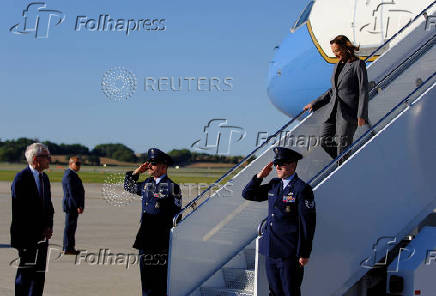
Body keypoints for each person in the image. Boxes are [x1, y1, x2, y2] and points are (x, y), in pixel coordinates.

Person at [242, 147, 316, 296]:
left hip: (289, 252)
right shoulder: (274, 184)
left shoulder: (301, 189)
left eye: (281, 164)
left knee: (290, 291)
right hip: (271, 249)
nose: (277, 167)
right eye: (276, 164)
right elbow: (248, 194)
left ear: (293, 165)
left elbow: (308, 223)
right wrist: (259, 177)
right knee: (274, 292)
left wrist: (304, 252)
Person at [124, 148, 182, 296]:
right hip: (144, 238)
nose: (149, 166)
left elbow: (177, 217)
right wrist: (136, 172)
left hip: (159, 241)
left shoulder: (172, 187)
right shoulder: (147, 184)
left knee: (159, 281)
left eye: (153, 163)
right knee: (146, 280)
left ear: (164, 167)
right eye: (149, 163)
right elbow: (128, 186)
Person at [304, 35, 369, 160]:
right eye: (333, 52)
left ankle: (343, 165)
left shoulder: (358, 64)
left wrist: (362, 114)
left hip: (348, 113)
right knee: (324, 140)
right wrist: (315, 103)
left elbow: (363, 90)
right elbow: (333, 91)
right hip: (332, 111)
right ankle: (344, 161)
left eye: (337, 51)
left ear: (346, 48)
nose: (335, 54)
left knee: (343, 146)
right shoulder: (337, 65)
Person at [10, 143, 55, 296]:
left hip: (42, 236)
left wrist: (48, 226)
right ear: (36, 159)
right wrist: (38, 229)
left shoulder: (44, 178)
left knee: (39, 275)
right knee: (26, 274)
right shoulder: (21, 178)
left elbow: (48, 206)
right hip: (26, 236)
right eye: (46, 157)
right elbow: (21, 211)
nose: (50, 159)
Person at [62, 156, 85, 255]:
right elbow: (72, 193)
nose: (79, 166)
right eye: (77, 164)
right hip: (71, 205)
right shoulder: (69, 175)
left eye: (80, 164)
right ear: (71, 164)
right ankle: (67, 247)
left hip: (73, 205)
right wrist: (77, 206)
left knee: (72, 227)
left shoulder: (73, 175)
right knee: (69, 227)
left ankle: (70, 247)